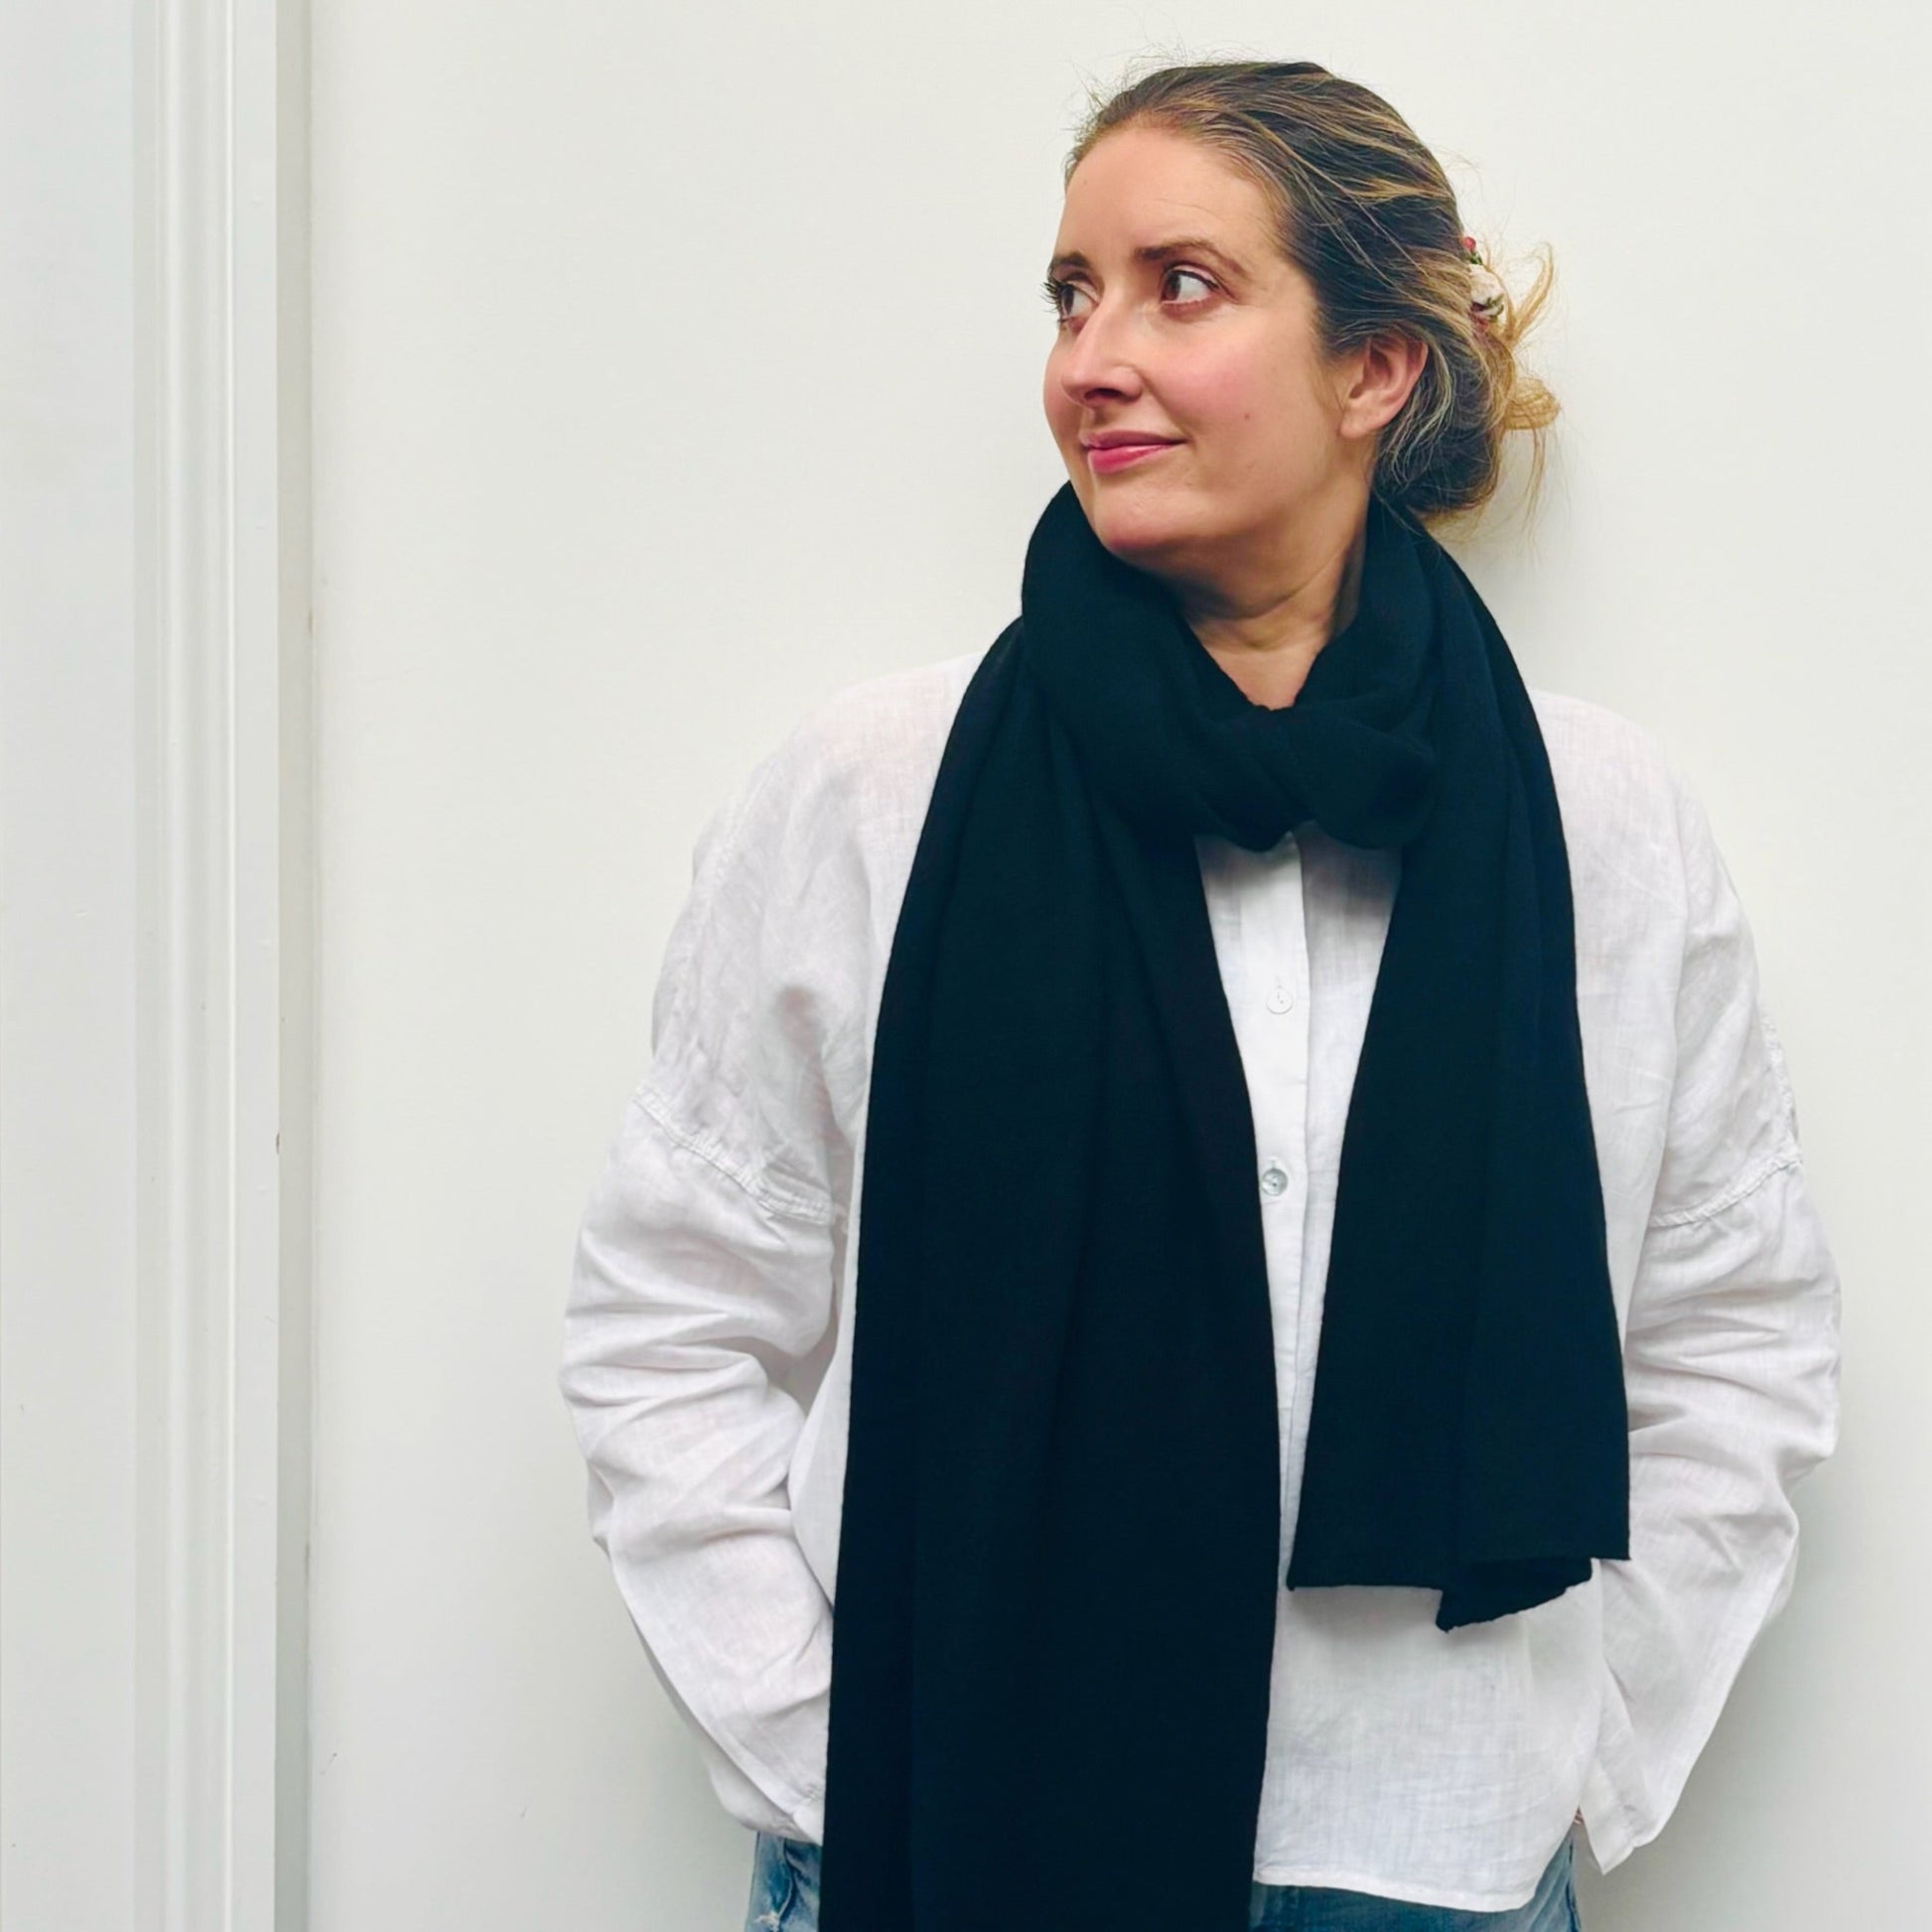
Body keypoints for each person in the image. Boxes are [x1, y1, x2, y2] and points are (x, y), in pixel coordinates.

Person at [558, 59, 1841, 1932]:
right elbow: (670, 1310)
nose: (1092, 356)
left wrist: (1572, 1756)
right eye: (1072, 292)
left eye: (1181, 285)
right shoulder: (874, 789)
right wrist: (830, 1751)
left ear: (1373, 368)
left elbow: (1735, 1329)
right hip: (953, 1832)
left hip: (1428, 1865)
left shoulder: (1604, 823)